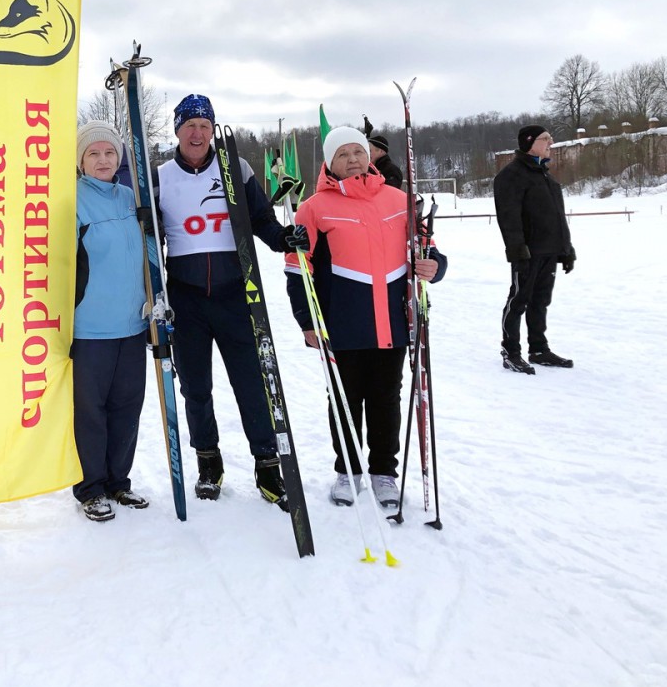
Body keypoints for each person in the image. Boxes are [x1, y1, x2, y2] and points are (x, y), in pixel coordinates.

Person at [155, 94, 308, 503]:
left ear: (213, 130)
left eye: (205, 125)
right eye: (190, 125)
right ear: (177, 130)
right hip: (187, 300)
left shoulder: (233, 166)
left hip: (236, 295)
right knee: (196, 388)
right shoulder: (161, 176)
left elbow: (260, 219)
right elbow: (149, 237)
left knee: (253, 383)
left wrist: (284, 239)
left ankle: (267, 468)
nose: (198, 132)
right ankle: (209, 463)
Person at [285, 126, 447, 508]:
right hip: (341, 323)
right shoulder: (314, 207)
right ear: (329, 161)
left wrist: (433, 266)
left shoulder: (400, 200)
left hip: (392, 320)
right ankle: (348, 470)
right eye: (342, 154)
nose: (353, 160)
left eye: (358, 151)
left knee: (386, 398)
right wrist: (307, 322)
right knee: (344, 399)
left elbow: (430, 249)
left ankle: (383, 473)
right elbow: (296, 269)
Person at [72, 120, 150, 522]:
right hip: (90, 329)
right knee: (91, 411)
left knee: (127, 407)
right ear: (81, 161)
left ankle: (119, 481)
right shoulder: (71, 201)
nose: (103, 160)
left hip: (133, 325)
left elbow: (149, 252)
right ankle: (91, 487)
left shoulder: (131, 197)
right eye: (93, 153)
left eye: (109, 153)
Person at [493, 124, 575, 374]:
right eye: (545, 139)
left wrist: (566, 248)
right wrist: (518, 251)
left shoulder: (545, 176)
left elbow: (558, 217)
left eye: (551, 138)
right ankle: (511, 351)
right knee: (518, 300)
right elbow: (509, 218)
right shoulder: (511, 176)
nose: (551, 142)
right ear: (529, 142)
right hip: (527, 253)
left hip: (550, 251)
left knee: (541, 301)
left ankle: (539, 349)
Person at [362, 116, 405, 189]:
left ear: (381, 151)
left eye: (370, 151)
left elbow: (389, 191)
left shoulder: (392, 170)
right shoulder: (367, 168)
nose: (367, 154)